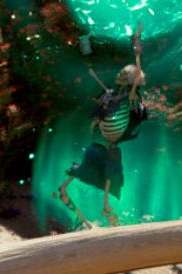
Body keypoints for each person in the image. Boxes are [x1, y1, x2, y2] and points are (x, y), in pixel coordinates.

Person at [55, 29, 150, 228]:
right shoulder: (117, 96)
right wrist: (137, 43)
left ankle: (92, 204)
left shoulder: (120, 97)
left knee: (104, 160)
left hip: (107, 139)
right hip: (106, 138)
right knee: (111, 163)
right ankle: (105, 207)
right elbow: (134, 76)